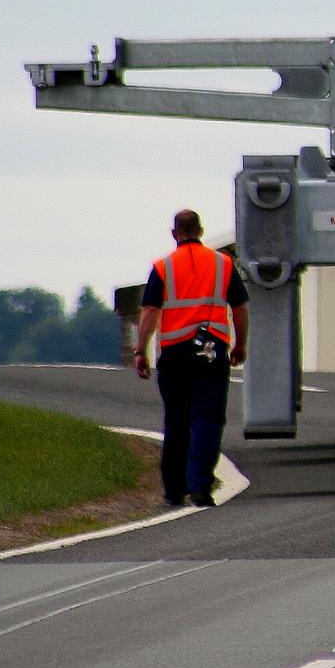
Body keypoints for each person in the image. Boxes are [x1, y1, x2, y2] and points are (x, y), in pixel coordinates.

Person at [133, 210, 248, 506]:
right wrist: (240, 345)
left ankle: (174, 490)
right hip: (211, 350)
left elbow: (149, 312)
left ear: (175, 233)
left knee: (177, 421)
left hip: (175, 354)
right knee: (208, 419)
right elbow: (239, 307)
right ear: (201, 230)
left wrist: (140, 351)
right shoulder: (224, 264)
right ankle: (200, 486)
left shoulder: (163, 267)